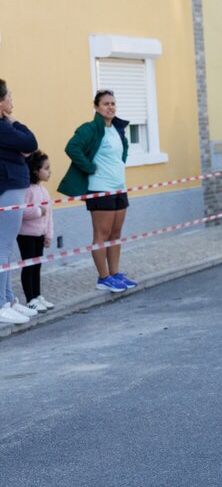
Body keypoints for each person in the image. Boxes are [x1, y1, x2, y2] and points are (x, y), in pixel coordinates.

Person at [57, 90, 137, 293]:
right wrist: (89, 167)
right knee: (102, 234)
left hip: (119, 188)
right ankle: (103, 278)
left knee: (116, 234)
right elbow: (72, 148)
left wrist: (119, 165)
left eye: (113, 103)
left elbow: (123, 151)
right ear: (96, 107)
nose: (110, 107)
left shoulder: (117, 129)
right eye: (105, 104)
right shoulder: (90, 128)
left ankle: (115, 274)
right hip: (100, 189)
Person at [0, 79, 40, 324]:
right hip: (7, 187)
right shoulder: (3, 128)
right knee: (2, 247)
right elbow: (30, 143)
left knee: (5, 248)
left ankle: (8, 299)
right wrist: (15, 123)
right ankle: (1, 304)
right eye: (9, 97)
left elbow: (27, 149)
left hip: (11, 186)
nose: (12, 101)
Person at [17, 150, 55, 312]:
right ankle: (30, 299)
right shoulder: (27, 190)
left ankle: (38, 295)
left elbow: (49, 215)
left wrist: (48, 234)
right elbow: (21, 211)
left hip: (40, 234)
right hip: (26, 235)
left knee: (37, 266)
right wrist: (38, 211)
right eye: (46, 168)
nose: (50, 171)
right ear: (35, 171)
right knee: (29, 266)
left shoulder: (44, 190)